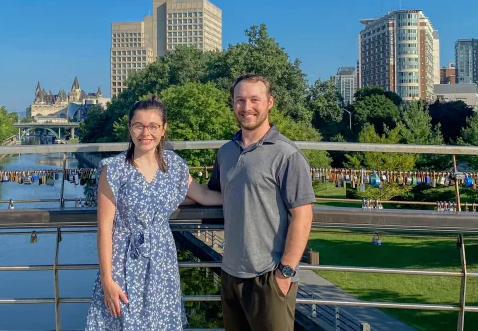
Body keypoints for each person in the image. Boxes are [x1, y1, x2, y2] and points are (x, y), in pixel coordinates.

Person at [85, 96, 223, 331]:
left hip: (161, 262)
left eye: (153, 126)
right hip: (123, 262)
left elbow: (204, 196)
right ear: (129, 128)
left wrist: (246, 198)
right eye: (138, 125)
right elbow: (105, 227)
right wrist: (107, 279)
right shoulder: (114, 169)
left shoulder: (173, 165)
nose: (145, 133)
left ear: (163, 129)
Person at [208, 74, 315, 331]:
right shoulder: (226, 152)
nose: (247, 107)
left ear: (270, 103)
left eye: (255, 100)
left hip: (268, 277)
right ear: (232, 104)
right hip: (230, 274)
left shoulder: (286, 154)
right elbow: (216, 196)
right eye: (240, 100)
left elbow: (302, 215)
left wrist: (285, 273)